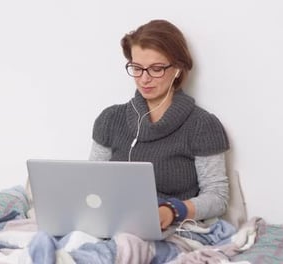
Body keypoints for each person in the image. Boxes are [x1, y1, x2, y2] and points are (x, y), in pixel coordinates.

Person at [89, 19, 230, 231]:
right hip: (112, 224)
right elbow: (91, 184)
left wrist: (173, 210)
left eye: (156, 69)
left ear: (178, 69)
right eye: (137, 68)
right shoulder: (109, 119)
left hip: (170, 227)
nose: (144, 79)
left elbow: (218, 197)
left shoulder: (202, 125)